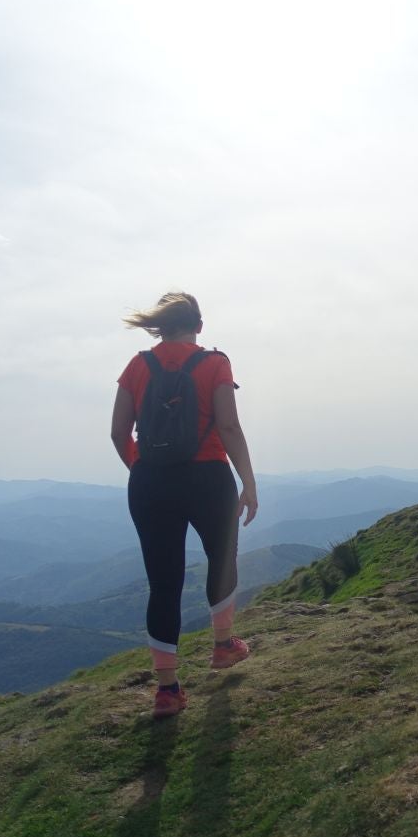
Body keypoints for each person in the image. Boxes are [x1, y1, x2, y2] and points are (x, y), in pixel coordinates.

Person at [111, 292, 259, 719]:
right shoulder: (214, 363)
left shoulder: (139, 365)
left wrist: (142, 469)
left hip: (150, 482)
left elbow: (119, 432)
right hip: (207, 477)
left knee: (163, 582)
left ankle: (168, 690)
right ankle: (223, 646)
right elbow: (228, 424)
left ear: (160, 326)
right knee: (222, 557)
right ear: (199, 323)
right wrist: (248, 482)